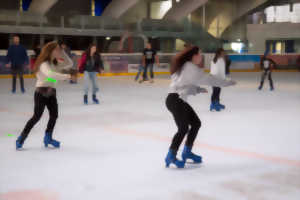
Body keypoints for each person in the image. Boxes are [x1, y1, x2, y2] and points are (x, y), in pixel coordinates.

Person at [165, 46, 235, 168]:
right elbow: (209, 79)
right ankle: (170, 155)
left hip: (176, 99)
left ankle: (186, 152)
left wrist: (197, 89)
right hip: (176, 100)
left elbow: (181, 83)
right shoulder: (190, 67)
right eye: (199, 54)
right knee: (183, 128)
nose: (201, 57)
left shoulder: (185, 66)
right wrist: (226, 83)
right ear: (193, 56)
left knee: (196, 123)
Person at [16, 41, 72, 150]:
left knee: (54, 115)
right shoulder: (43, 64)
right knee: (36, 117)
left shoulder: (55, 63)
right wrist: (66, 76)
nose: (58, 51)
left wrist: (63, 52)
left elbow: (70, 63)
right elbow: (50, 75)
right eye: (56, 49)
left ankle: (48, 137)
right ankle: (21, 137)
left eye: (58, 49)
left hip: (51, 92)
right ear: (50, 51)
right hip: (41, 92)